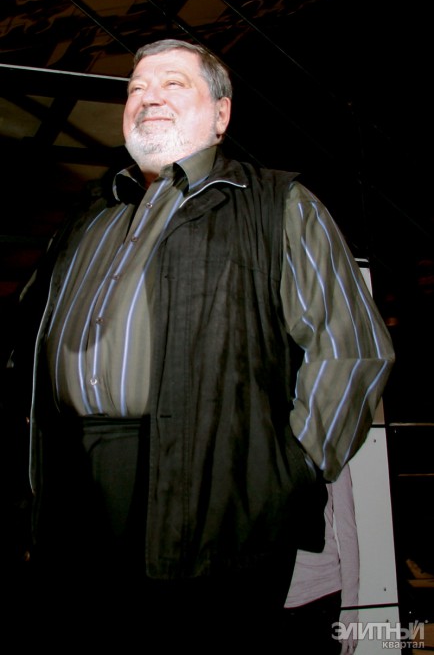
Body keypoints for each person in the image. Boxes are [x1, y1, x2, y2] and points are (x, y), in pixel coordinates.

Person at [2, 38, 395, 647]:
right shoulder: (89, 213)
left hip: (217, 504)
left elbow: (352, 350)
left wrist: (290, 474)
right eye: (136, 88)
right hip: (73, 497)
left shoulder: (277, 204)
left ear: (221, 114)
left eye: (173, 83)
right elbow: (22, 343)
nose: (148, 96)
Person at [282, 463, 360, 654]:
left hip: (322, 595)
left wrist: (350, 609)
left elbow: (347, 532)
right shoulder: (265, 450)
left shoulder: (332, 453)